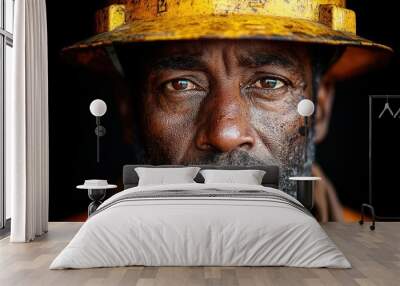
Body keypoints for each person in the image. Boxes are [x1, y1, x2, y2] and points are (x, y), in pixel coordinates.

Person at [63, 0, 392, 221]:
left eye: (269, 83)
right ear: (129, 109)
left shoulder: (383, 267)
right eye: (180, 85)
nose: (225, 134)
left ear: (319, 109)